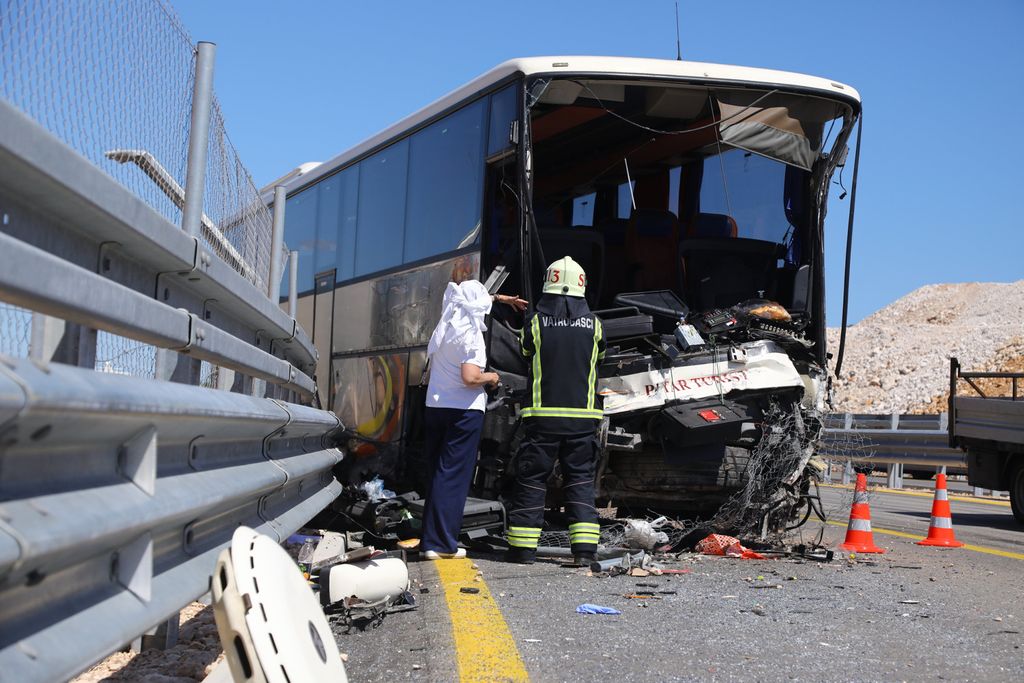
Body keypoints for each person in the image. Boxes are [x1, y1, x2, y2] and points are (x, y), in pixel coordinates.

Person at [505, 256, 605, 565]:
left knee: (533, 480)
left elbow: (524, 351)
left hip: (543, 418)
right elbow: (599, 357)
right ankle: (584, 553)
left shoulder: (535, 322)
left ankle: (523, 550)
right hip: (583, 420)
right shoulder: (595, 325)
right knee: (579, 481)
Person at [420, 280, 526, 560]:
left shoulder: (447, 325)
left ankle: (431, 539)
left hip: (436, 406)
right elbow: (470, 378)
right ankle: (441, 544)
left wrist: (502, 298)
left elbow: (469, 298)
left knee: (438, 474)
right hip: (463, 412)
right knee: (453, 476)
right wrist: (492, 376)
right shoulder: (472, 336)